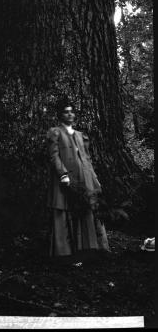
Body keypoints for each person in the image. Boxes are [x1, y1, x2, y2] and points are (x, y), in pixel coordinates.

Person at [47, 97, 110, 261]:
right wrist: (63, 174)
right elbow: (54, 157)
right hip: (66, 179)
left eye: (72, 112)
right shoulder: (55, 132)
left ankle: (89, 249)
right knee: (65, 210)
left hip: (84, 178)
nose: (69, 114)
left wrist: (94, 179)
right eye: (65, 112)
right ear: (60, 115)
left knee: (86, 208)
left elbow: (87, 159)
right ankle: (66, 253)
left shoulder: (81, 135)